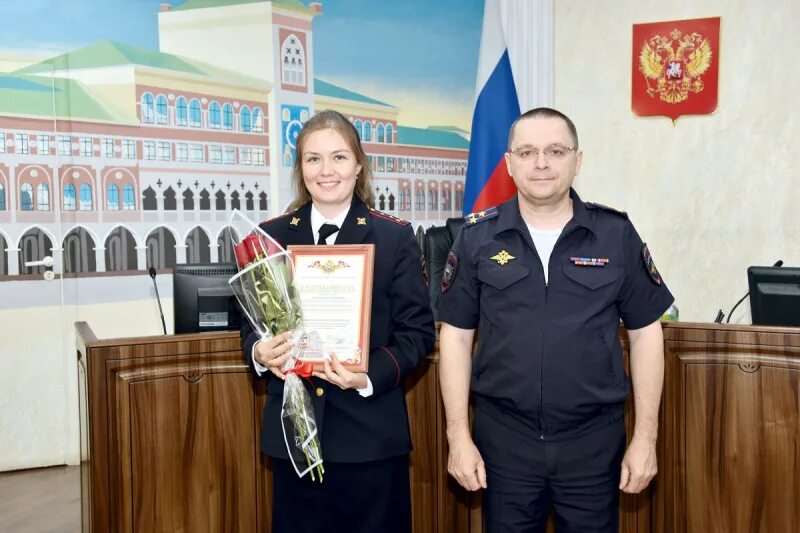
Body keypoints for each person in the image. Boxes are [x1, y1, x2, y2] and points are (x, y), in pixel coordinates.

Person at [438, 107, 674, 532]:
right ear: (509, 164)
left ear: (577, 161)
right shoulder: (477, 236)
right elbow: (454, 338)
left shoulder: (615, 234)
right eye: (527, 152)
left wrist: (646, 438)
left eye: (555, 151)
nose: (541, 163)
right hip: (504, 441)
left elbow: (645, 335)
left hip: (592, 443)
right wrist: (458, 437)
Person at [240, 110, 435, 533]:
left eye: (339, 158)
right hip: (295, 438)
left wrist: (365, 376)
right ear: (300, 169)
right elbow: (250, 324)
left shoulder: (393, 237)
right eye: (313, 159)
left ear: (359, 164)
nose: (326, 171)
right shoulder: (269, 237)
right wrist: (259, 352)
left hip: (370, 437)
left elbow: (417, 334)